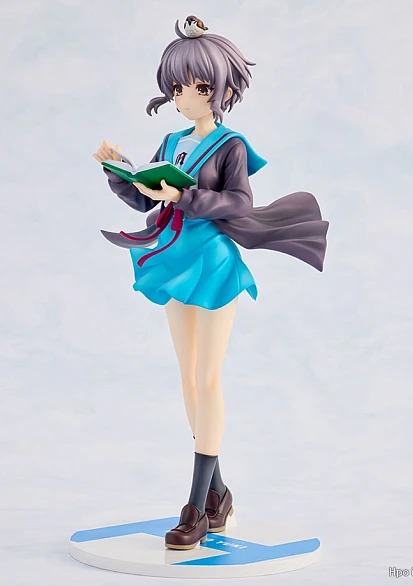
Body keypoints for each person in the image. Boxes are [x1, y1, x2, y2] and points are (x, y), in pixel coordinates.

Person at [92, 15, 329, 551]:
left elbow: (239, 203)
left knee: (207, 378)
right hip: (173, 258)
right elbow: (148, 195)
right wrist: (119, 171)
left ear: (219, 88)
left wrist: (185, 197)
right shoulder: (171, 139)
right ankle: (219, 495)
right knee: (188, 380)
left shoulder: (230, 145)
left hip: (214, 264)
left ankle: (197, 508)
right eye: (177, 87)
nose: (185, 96)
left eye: (197, 86)